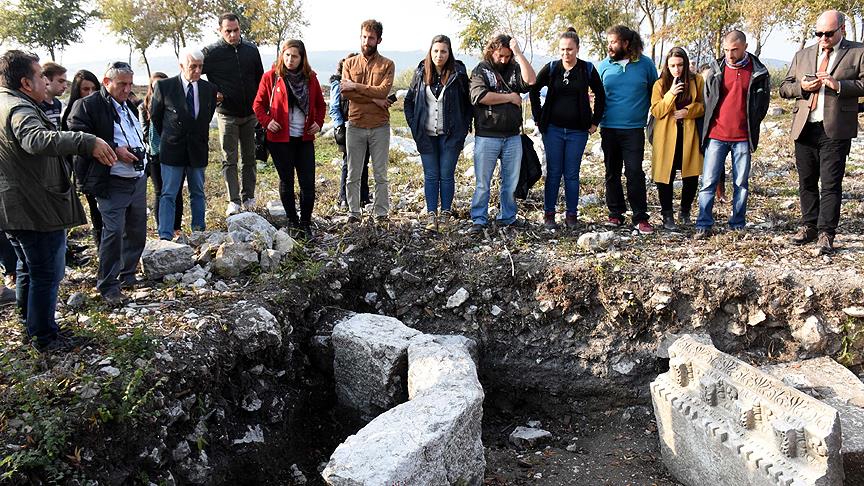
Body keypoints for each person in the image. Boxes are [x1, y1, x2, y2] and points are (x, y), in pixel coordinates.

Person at [0, 50, 116, 351]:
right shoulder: (19, 110)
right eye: (40, 76)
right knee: (45, 273)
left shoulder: (6, 102)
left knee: (28, 268)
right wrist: (86, 140)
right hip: (35, 207)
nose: (45, 81)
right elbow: (36, 140)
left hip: (15, 206)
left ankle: (31, 328)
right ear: (26, 82)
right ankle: (44, 337)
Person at [780, 10, 864, 254]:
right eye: (819, 34)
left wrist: (839, 85)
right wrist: (802, 88)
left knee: (830, 183)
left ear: (842, 29)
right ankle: (809, 226)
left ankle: (826, 233)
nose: (823, 38)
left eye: (828, 33)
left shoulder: (858, 52)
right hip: (805, 126)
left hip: (836, 128)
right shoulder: (803, 54)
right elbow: (785, 88)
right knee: (806, 181)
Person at [68, 61, 149, 304]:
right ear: (107, 82)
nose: (127, 89)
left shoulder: (128, 106)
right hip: (111, 180)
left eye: (130, 84)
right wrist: (115, 150)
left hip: (136, 178)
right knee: (113, 232)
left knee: (137, 230)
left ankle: (127, 274)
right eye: (122, 84)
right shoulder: (88, 106)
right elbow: (77, 134)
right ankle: (108, 285)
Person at [694, 30, 770, 239]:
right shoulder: (715, 71)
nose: (729, 54)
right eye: (726, 50)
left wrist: (751, 125)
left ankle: (737, 223)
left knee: (741, 184)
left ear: (745, 47)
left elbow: (763, 105)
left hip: (743, 138)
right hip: (716, 135)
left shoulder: (759, 72)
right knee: (708, 182)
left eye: (734, 50)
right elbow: (707, 100)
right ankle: (703, 223)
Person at [529, 28, 605, 230]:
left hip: (577, 132)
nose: (566, 53)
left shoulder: (587, 69)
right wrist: (538, 117)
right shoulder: (552, 67)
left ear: (577, 49)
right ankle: (549, 214)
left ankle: (572, 215)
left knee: (571, 174)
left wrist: (595, 122)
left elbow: (601, 94)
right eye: (562, 49)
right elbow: (534, 89)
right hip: (552, 130)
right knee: (553, 172)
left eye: (570, 49)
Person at [253, 40, 325, 240]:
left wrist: (318, 123)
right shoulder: (271, 77)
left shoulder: (311, 78)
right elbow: (257, 105)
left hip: (304, 138)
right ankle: (293, 221)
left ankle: (306, 224)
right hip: (279, 139)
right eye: (287, 55)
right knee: (287, 180)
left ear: (302, 58)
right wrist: (267, 122)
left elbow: (320, 105)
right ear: (281, 56)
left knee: (308, 183)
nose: (290, 60)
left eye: (294, 56)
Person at [468, 34, 536, 234]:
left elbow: (531, 79)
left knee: (510, 182)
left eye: (508, 56)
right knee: (483, 182)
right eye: (500, 56)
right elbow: (480, 96)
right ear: (492, 51)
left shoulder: (515, 68)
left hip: (512, 136)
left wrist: (518, 53)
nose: (504, 60)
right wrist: (510, 98)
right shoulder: (481, 70)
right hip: (487, 135)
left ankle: (507, 217)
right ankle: (479, 219)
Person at [404, 34, 472, 231]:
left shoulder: (458, 73)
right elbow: (409, 101)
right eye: (436, 51)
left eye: (443, 51)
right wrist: (413, 125)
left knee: (446, 174)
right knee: (431, 175)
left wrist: (463, 127)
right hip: (426, 135)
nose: (439, 55)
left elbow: (468, 103)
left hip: (451, 134)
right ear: (430, 52)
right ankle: (431, 215)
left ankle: (445, 214)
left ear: (449, 52)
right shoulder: (420, 72)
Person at [150, 48, 218, 240]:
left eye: (200, 67)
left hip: (197, 148)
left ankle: (199, 232)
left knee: (198, 191)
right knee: (169, 193)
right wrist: (171, 135)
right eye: (192, 66)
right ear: (181, 66)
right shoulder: (165, 87)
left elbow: (206, 116)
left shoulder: (209, 89)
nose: (197, 71)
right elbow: (156, 116)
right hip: (172, 148)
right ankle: (165, 235)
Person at [597, 25, 658, 234]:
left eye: (613, 42)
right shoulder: (603, 66)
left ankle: (640, 217)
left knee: (634, 172)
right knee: (611, 172)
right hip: (609, 128)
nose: (610, 46)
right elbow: (595, 95)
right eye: (609, 42)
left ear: (625, 43)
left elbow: (655, 93)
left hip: (633, 130)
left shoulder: (645, 65)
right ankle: (615, 214)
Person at [202, 12, 265, 216]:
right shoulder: (211, 53)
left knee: (250, 157)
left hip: (250, 114)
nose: (232, 34)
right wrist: (213, 91)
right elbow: (192, 73)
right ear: (220, 30)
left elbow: (260, 79)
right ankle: (234, 200)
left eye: (236, 30)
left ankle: (249, 197)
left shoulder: (251, 50)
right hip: (226, 114)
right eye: (228, 31)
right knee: (229, 158)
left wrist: (262, 106)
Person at [341, 19, 396, 223]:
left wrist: (356, 86)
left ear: (379, 40)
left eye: (371, 37)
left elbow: (384, 90)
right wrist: (374, 98)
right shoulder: (349, 63)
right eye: (364, 36)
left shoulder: (387, 64)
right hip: (355, 124)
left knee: (380, 173)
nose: (366, 41)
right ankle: (353, 212)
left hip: (379, 126)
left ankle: (381, 213)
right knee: (353, 172)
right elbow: (346, 93)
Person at [649, 47, 705, 230]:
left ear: (686, 64)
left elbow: (703, 106)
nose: (677, 69)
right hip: (666, 136)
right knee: (665, 175)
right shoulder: (660, 84)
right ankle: (667, 215)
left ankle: (685, 211)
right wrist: (671, 93)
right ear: (667, 65)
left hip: (689, 134)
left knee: (691, 174)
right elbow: (657, 110)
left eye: (680, 65)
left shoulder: (697, 80)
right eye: (672, 65)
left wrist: (687, 112)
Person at [61, 70, 104, 247]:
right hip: (85, 169)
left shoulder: (105, 108)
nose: (90, 93)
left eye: (94, 88)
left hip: (106, 165)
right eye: (85, 89)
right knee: (96, 213)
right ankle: (102, 251)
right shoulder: (72, 112)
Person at [141, 72, 184, 235]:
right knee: (161, 192)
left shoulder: (175, 104)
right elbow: (145, 132)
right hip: (156, 154)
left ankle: (176, 227)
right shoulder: (144, 106)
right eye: (156, 84)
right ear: (151, 85)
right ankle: (162, 228)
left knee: (176, 191)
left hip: (175, 153)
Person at [330, 53, 371, 211]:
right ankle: (344, 197)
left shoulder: (361, 83)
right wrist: (340, 126)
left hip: (364, 126)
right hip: (347, 128)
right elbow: (334, 108)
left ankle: (363, 197)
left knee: (364, 163)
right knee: (348, 163)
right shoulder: (337, 84)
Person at [39, 62, 67, 127]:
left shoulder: (58, 103)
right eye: (60, 81)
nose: (65, 86)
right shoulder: (37, 105)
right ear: (46, 80)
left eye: (65, 82)